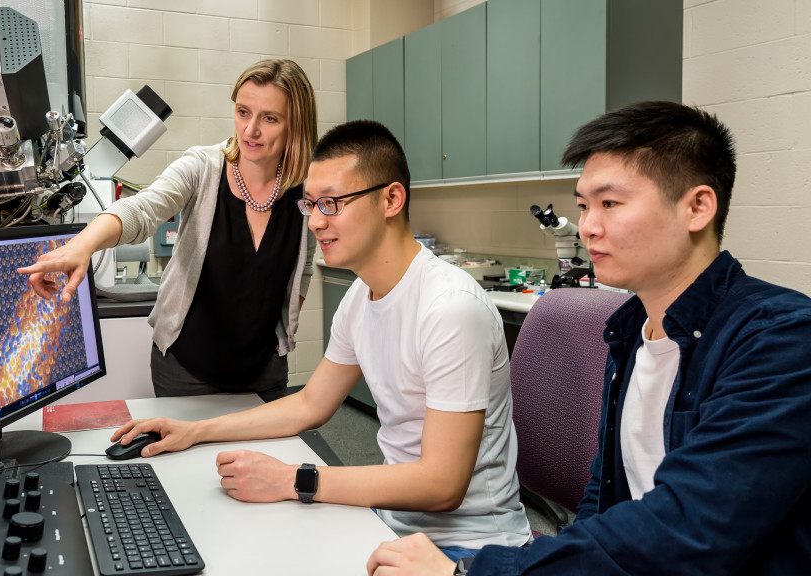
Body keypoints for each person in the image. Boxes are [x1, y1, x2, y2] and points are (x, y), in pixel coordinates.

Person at [366, 101, 811, 576]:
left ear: (698, 207)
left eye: (610, 203)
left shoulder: (780, 339)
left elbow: (690, 529)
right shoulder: (632, 331)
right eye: (583, 206)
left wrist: (472, 573)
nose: (589, 226)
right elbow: (605, 502)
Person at [111, 120, 531, 558]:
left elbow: (442, 484)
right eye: (310, 205)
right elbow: (310, 404)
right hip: (392, 522)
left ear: (391, 199)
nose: (315, 222)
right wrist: (195, 431)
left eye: (331, 203)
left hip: (473, 548)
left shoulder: (450, 308)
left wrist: (294, 479)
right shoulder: (360, 296)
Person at [19, 59, 318, 402]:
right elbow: (141, 209)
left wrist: (280, 323)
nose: (250, 130)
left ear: (296, 125)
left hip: (264, 371)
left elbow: (305, 265)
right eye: (243, 112)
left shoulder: (307, 191)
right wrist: (83, 245)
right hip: (186, 370)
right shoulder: (202, 167)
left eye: (270, 118)